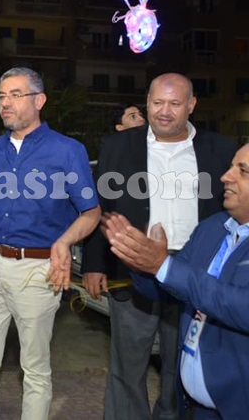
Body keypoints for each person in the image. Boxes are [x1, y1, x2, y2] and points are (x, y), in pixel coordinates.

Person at [82, 72, 237, 420]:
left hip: (193, 272)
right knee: (127, 363)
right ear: (147, 102)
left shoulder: (221, 150)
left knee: (179, 364)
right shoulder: (118, 146)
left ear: (191, 105)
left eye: (174, 103)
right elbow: (101, 207)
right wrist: (94, 263)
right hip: (132, 267)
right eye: (157, 103)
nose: (164, 111)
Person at [0, 67, 101, 420]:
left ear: (39, 100)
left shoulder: (67, 151)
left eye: (15, 95)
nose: (5, 103)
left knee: (35, 369)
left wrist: (64, 242)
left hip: (39, 271)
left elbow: (91, 212)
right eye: (1, 96)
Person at [102, 143, 249, 420]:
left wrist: (162, 266)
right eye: (231, 166)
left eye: (242, 171)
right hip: (196, 409)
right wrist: (139, 262)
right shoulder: (212, 228)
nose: (225, 176)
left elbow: (240, 305)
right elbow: (172, 288)